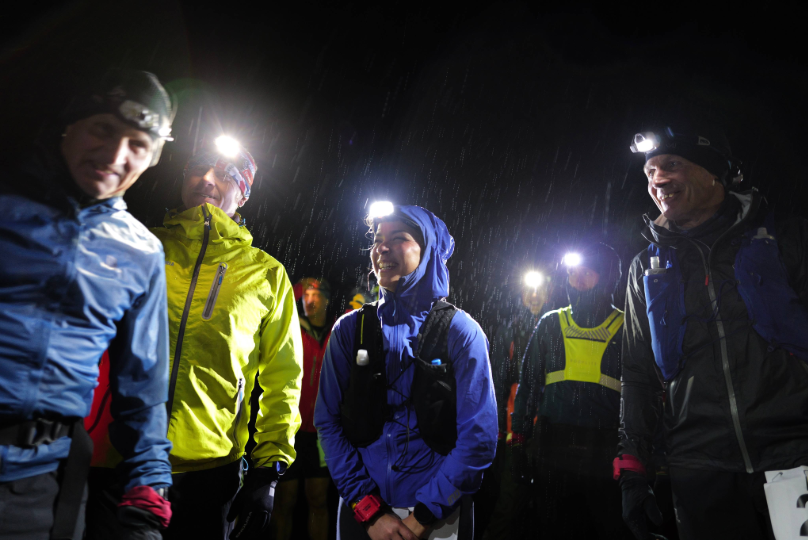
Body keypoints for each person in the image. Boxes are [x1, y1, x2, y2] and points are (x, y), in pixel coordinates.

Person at [85, 138, 304, 540]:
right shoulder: (140, 246)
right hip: (121, 459)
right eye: (197, 168)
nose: (206, 179)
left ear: (245, 194)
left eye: (224, 173)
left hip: (209, 470)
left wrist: (266, 470)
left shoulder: (266, 274)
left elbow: (283, 379)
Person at [0, 69, 175, 540]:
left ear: (152, 159)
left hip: (41, 493)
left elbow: (144, 392)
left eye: (138, 144)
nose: (115, 156)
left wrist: (148, 491)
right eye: (103, 129)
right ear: (70, 126)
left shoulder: (141, 252)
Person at [617, 124, 808, 540]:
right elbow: (638, 374)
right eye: (650, 172)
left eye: (672, 165)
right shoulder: (645, 270)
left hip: (796, 456)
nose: (658, 180)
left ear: (714, 173)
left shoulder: (788, 238)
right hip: (700, 471)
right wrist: (633, 469)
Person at [314, 204, 497, 540]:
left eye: (398, 238)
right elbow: (328, 421)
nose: (382, 247)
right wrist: (368, 510)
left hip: (439, 520)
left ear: (428, 252)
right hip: (363, 516)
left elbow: (479, 437)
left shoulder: (461, 331)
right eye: (379, 239)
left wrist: (422, 517)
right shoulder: (349, 330)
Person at [511, 244, 632, 539]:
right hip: (553, 449)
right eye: (573, 273)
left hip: (604, 452)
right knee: (551, 527)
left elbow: (642, 395)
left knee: (603, 528)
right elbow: (528, 385)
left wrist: (637, 450)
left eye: (587, 273)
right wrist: (520, 437)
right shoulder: (551, 323)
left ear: (606, 278)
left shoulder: (627, 328)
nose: (578, 280)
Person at [479, 277, 548, 540]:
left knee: (543, 510)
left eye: (539, 290)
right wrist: (495, 428)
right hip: (514, 433)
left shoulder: (557, 327)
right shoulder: (509, 331)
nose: (533, 296)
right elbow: (496, 382)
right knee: (506, 505)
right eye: (528, 291)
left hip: (549, 433)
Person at [273, 277, 334, 540]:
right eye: (305, 295)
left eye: (316, 294)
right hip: (291, 430)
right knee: (284, 500)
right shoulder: (291, 330)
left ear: (327, 299)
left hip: (322, 433)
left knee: (319, 500)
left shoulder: (338, 332)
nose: (309, 300)